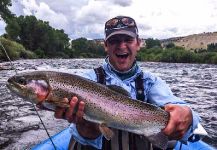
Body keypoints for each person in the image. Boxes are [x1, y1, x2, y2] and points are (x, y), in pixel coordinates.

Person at [54, 16, 200, 150]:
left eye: (128, 40)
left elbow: (177, 106)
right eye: (114, 41)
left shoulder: (151, 82)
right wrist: (87, 129)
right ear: (106, 45)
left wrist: (188, 116)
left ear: (138, 43)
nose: (121, 46)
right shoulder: (87, 79)